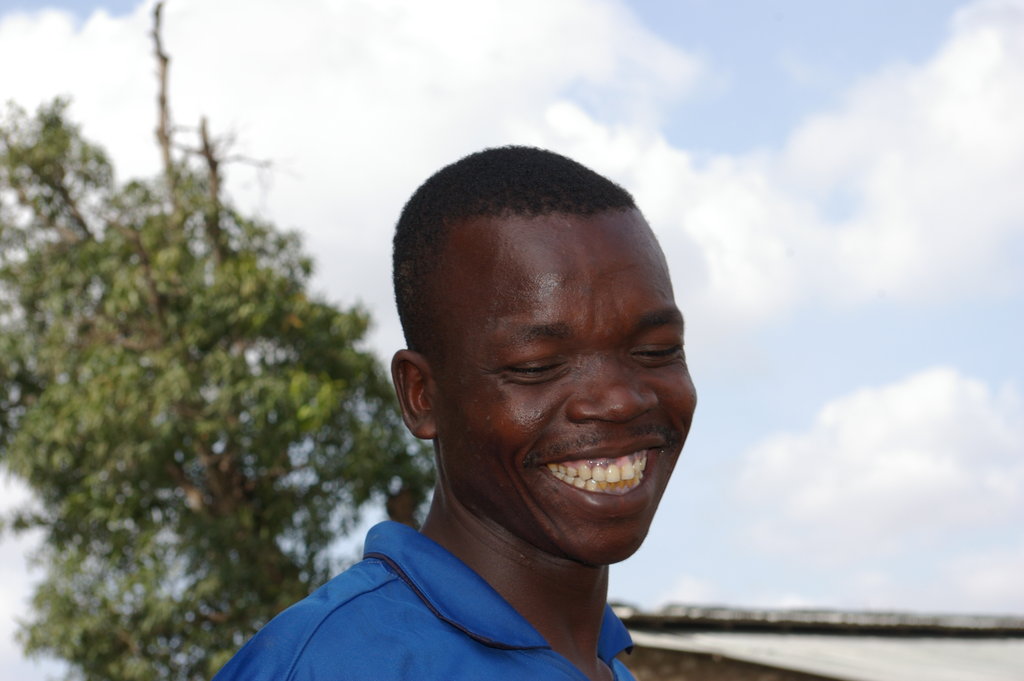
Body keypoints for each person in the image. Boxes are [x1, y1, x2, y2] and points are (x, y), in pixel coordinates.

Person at [213, 146, 697, 681]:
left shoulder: (610, 670)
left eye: (656, 351)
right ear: (421, 395)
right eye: (537, 366)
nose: (620, 400)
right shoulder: (332, 665)